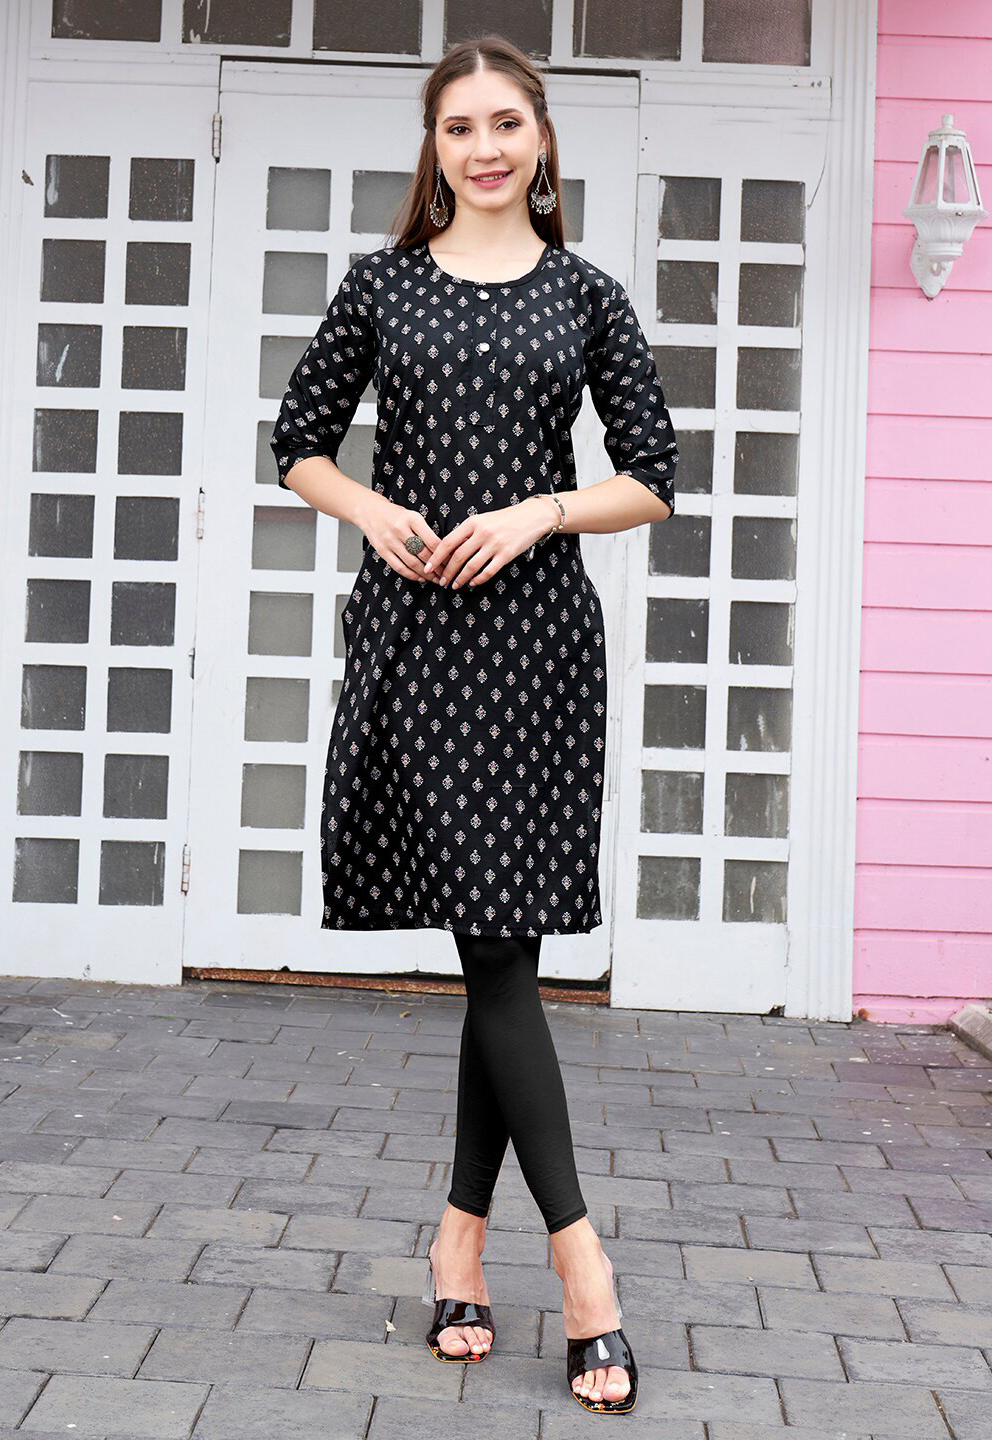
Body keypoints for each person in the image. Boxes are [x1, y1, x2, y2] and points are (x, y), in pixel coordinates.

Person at [270, 33, 678, 1417]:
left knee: (497, 948)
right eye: (461, 127)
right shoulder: (382, 285)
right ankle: (584, 1268)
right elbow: (298, 441)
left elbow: (653, 475)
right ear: (433, 148)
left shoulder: (588, 295)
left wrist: (540, 512)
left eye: (507, 123)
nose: (486, 147)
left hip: (540, 647)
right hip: (418, 642)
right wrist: (374, 507)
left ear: (542, 139)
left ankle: (460, 1241)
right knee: (496, 953)